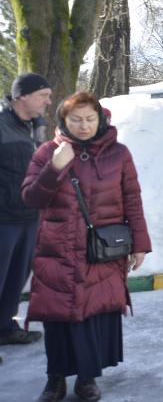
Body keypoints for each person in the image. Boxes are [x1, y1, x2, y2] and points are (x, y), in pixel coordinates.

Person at [22, 92, 152, 402]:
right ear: (63, 121)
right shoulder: (46, 152)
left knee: (94, 314)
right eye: (76, 120)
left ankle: (87, 378)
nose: (83, 126)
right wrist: (54, 167)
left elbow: (132, 198)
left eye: (90, 119)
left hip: (101, 251)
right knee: (58, 316)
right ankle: (55, 380)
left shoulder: (119, 154)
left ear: (101, 119)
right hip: (58, 250)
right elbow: (31, 198)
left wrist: (140, 244)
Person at [0, 73, 52, 359]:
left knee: (17, 276)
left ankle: (5, 327)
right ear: (23, 96)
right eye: (43, 95)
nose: (49, 100)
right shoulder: (1, 125)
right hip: (3, 218)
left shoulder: (37, 129)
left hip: (30, 217)